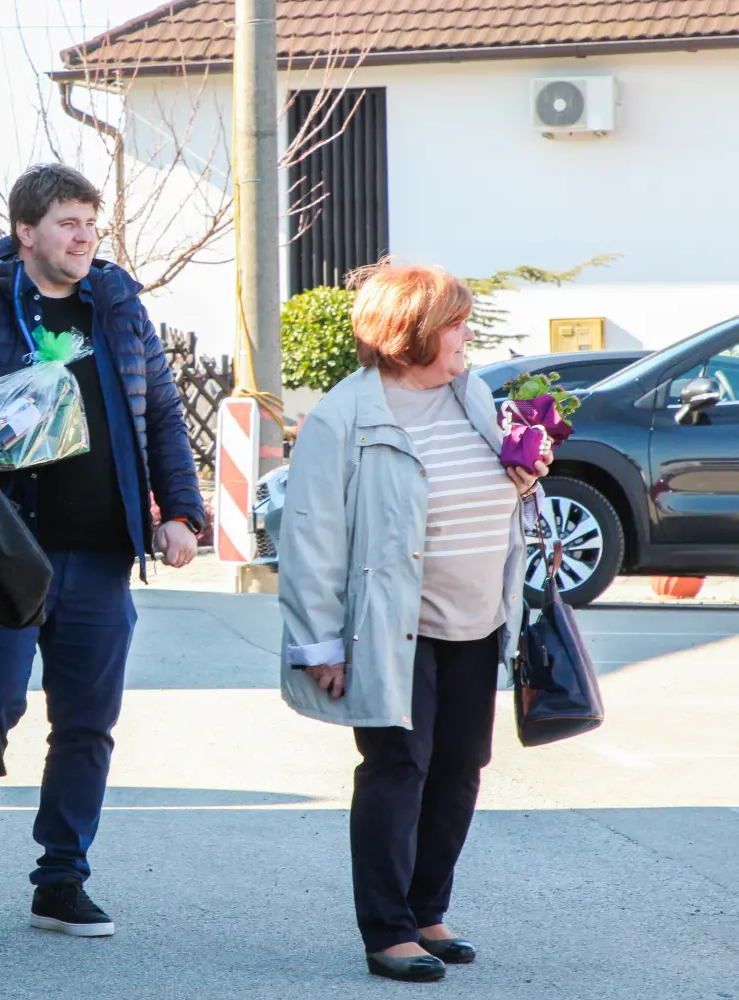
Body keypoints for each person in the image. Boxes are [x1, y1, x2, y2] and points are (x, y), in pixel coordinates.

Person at [0, 163, 206, 938]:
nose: (85, 237)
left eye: (91, 223)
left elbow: (164, 417)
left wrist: (181, 510)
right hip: (4, 556)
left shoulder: (118, 310)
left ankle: (61, 881)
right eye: (69, 222)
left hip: (103, 554)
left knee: (87, 724)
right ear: (26, 232)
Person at [278, 262, 548, 982]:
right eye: (455, 322)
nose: (467, 334)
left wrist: (524, 475)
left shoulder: (473, 394)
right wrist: (319, 645)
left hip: (478, 616)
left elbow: (498, 487)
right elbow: (310, 537)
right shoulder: (346, 415)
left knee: (461, 770)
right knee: (399, 767)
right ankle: (388, 929)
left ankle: (428, 911)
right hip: (392, 624)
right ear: (411, 333)